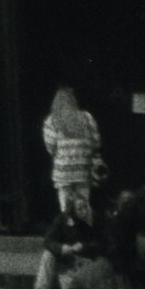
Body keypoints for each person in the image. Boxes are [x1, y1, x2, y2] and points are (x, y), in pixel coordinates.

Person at [43, 85, 105, 222]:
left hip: (63, 170)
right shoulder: (86, 117)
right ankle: (85, 231)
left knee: (65, 204)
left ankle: (69, 231)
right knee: (84, 202)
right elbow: (96, 142)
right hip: (83, 168)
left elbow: (50, 147)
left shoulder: (52, 121)